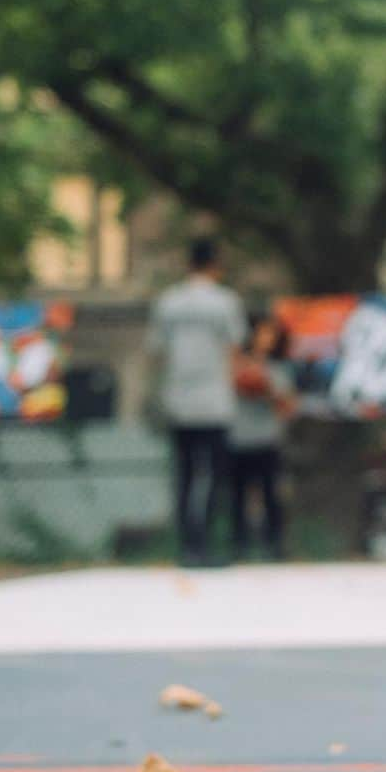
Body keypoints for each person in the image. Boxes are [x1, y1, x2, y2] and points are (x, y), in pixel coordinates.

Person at [147, 237, 246, 566]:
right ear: (215, 265)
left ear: (189, 264)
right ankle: (208, 544)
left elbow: (156, 353)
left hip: (178, 398)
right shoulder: (225, 302)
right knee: (215, 476)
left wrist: (158, 393)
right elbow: (233, 351)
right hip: (215, 400)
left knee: (184, 475)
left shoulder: (168, 302)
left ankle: (187, 546)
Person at [228, 314, 297, 560]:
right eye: (262, 333)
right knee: (238, 495)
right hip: (238, 438)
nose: (266, 340)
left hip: (268, 438)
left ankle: (275, 545)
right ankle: (239, 546)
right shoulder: (235, 362)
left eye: (271, 335)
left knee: (272, 495)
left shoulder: (280, 368)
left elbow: (289, 406)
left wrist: (268, 389)